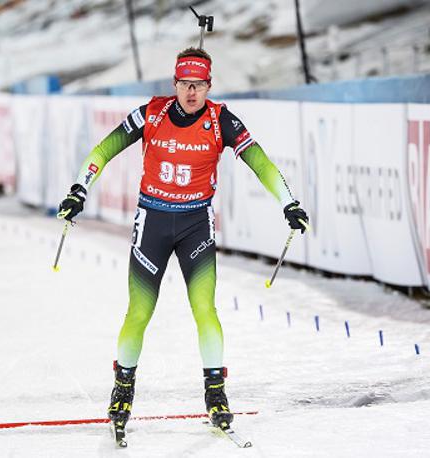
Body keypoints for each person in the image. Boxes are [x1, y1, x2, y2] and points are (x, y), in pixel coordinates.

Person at [57, 47, 309, 439]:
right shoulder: (152, 113)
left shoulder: (220, 119)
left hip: (195, 225)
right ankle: (123, 389)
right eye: (185, 85)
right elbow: (103, 150)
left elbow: (260, 162)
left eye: (200, 85)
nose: (192, 93)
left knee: (204, 308)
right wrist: (79, 189)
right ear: (175, 84)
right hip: (153, 223)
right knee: (139, 313)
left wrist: (289, 203)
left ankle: (216, 393)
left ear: (210, 86)